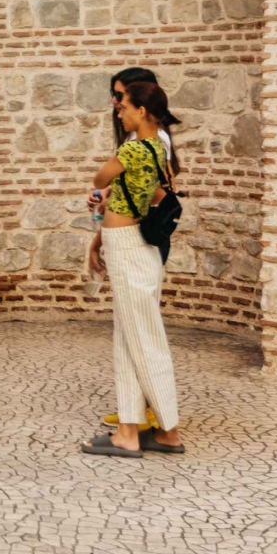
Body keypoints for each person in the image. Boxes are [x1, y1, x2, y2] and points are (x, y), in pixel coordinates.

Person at [81, 80, 185, 458]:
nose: (119, 113)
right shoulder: (158, 146)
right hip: (131, 244)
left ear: (141, 110)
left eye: (122, 106)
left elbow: (100, 178)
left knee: (143, 339)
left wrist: (109, 183)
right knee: (129, 339)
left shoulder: (137, 147)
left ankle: (170, 431)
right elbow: (142, 195)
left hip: (130, 246)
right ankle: (127, 429)